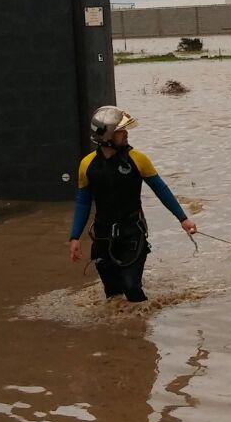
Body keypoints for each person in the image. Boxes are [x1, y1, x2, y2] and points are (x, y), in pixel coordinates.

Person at [68, 105, 198, 302]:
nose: (126, 134)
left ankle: (142, 327)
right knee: (112, 292)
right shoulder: (87, 165)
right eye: (121, 131)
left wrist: (183, 219)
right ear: (107, 136)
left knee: (131, 287)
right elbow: (83, 202)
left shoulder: (138, 159)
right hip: (103, 235)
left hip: (132, 232)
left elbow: (161, 190)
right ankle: (118, 330)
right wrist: (75, 237)